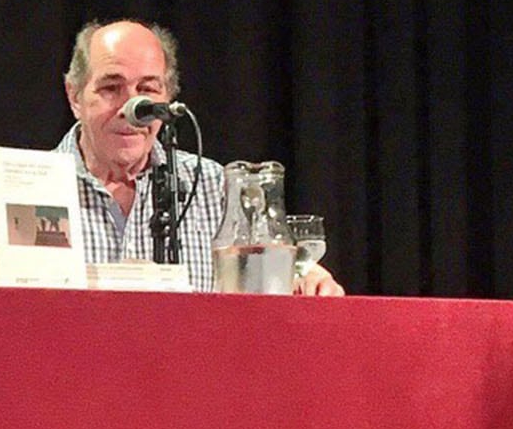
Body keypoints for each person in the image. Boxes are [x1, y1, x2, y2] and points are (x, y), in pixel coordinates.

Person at [58, 18, 343, 295]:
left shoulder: (214, 187)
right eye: (111, 88)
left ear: (168, 99)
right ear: (75, 97)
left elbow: (274, 275)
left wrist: (307, 277)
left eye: (147, 90)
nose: (132, 108)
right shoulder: (30, 185)